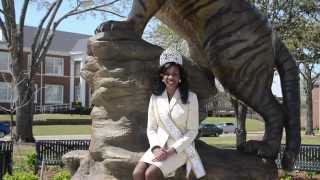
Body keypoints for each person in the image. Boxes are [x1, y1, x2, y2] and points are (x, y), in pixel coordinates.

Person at [132, 48, 206, 180]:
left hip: (180, 149)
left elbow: (192, 131)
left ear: (180, 77)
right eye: (167, 74)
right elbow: (151, 128)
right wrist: (155, 148)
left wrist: (171, 151)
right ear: (162, 76)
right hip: (158, 146)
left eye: (175, 74)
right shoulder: (155, 98)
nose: (171, 77)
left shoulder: (191, 98)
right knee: (137, 173)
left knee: (150, 174)